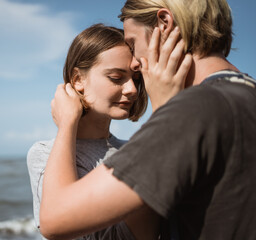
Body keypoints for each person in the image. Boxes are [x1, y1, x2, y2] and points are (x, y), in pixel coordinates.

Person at [39, 0, 256, 239]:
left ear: (165, 24)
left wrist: (166, 111)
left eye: (133, 43)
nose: (134, 62)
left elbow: (54, 219)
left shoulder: (197, 109)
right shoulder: (244, 94)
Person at [27, 23, 153, 239]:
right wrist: (68, 122)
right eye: (116, 77)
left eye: (136, 78)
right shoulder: (44, 154)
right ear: (78, 80)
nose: (132, 89)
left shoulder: (134, 151)